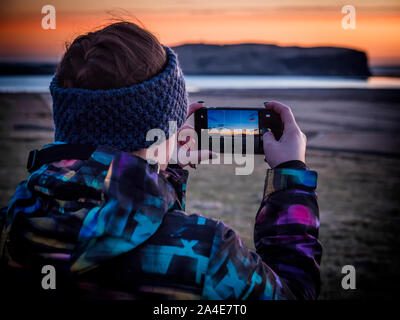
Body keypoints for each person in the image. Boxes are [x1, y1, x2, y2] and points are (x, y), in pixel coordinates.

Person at [0, 21, 322, 300]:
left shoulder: (14, 222)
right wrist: (290, 177)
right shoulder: (208, 254)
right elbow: (294, 291)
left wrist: (165, 172)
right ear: (160, 131)